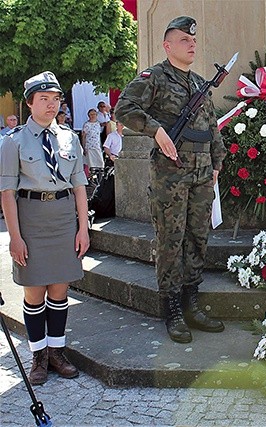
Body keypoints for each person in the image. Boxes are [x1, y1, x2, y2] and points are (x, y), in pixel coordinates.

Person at [116, 16, 226, 343]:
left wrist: (217, 163)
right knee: (171, 239)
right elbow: (125, 107)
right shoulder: (156, 77)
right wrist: (155, 129)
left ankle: (192, 302)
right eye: (183, 40)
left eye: (193, 41)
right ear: (167, 46)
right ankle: (173, 308)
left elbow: (212, 127)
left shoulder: (199, 84)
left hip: (203, 172)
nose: (192, 45)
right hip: (171, 172)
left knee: (197, 237)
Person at [0, 71, 89, 385]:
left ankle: (57, 352)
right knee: (35, 291)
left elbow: (79, 186)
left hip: (64, 218)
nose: (52, 105)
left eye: (56, 99)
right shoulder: (13, 142)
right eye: (44, 99)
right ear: (29, 103)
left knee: (60, 290)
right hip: (32, 219)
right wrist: (15, 237)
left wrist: (83, 229)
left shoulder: (69, 137)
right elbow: (7, 192)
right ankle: (37, 356)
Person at [81, 108, 105, 179]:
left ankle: (100, 177)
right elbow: (83, 136)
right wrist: (83, 147)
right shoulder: (86, 124)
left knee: (100, 163)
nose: (93, 116)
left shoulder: (98, 124)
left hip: (97, 146)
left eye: (94, 114)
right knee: (91, 164)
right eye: (91, 114)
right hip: (89, 146)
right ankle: (92, 178)